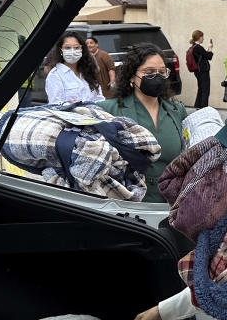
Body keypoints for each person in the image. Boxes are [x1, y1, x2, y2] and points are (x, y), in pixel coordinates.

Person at [98, 43, 187, 202]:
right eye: (149, 72)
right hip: (128, 205)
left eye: (161, 72)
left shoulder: (177, 111)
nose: (157, 77)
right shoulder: (108, 110)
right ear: (132, 76)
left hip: (170, 204)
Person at [44, 31, 104, 104]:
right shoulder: (55, 75)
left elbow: (99, 99)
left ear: (81, 49)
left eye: (76, 47)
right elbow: (56, 105)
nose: (72, 51)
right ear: (60, 50)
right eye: (67, 47)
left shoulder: (88, 71)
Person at [188, 29, 214, 108]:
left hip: (197, 71)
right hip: (203, 71)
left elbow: (203, 55)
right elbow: (209, 56)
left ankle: (198, 106)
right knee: (205, 90)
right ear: (199, 37)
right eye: (202, 37)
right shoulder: (198, 47)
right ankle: (204, 108)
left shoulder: (193, 47)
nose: (203, 39)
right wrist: (210, 48)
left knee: (201, 89)